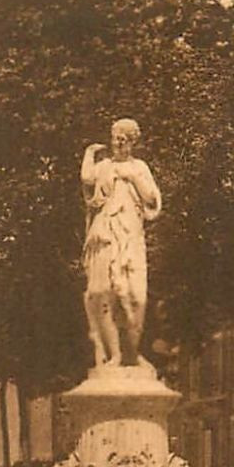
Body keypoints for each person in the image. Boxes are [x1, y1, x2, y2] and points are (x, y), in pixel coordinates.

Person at [81, 117, 162, 367]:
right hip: (105, 233)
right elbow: (87, 179)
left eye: (123, 139)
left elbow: (151, 197)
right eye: (115, 138)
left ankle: (131, 353)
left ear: (132, 142)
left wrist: (131, 177)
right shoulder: (104, 166)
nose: (117, 143)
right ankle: (113, 354)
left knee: (135, 297)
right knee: (101, 292)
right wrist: (88, 154)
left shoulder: (139, 167)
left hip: (131, 238)